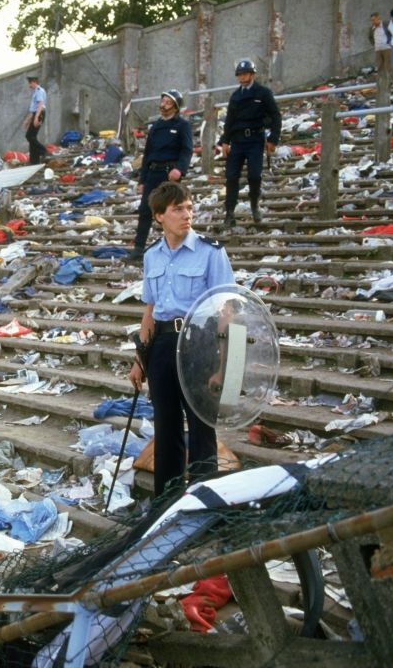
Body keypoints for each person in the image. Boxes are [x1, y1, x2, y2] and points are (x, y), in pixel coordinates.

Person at [128, 182, 235, 496]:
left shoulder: (211, 252)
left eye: (189, 207)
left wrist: (223, 365)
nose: (187, 215)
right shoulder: (152, 256)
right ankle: (167, 503)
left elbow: (226, 310)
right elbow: (150, 309)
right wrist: (140, 361)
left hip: (199, 343)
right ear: (160, 216)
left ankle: (202, 506)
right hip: (162, 344)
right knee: (166, 427)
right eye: (178, 209)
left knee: (202, 429)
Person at [130, 89, 192, 262]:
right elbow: (148, 153)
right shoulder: (156, 126)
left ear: (176, 106)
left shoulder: (182, 125)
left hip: (170, 173)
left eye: (168, 102)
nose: (163, 105)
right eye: (163, 101)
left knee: (171, 211)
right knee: (145, 210)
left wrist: (180, 168)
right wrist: (142, 179)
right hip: (153, 172)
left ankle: (177, 249)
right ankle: (138, 248)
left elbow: (187, 150)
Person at [219, 59, 281, 229]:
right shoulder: (236, 96)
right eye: (240, 74)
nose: (242, 77)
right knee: (231, 177)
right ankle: (229, 213)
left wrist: (273, 139)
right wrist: (225, 141)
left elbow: (275, 116)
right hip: (238, 140)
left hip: (255, 139)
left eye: (245, 73)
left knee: (254, 175)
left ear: (252, 74)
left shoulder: (263, 93)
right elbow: (229, 120)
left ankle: (254, 205)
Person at [24, 76, 48, 165]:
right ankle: (34, 160)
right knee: (32, 136)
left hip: (39, 113)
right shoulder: (35, 92)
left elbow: (40, 104)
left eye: (30, 83)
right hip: (37, 113)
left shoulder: (39, 91)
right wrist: (28, 120)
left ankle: (44, 151)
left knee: (29, 136)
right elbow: (33, 109)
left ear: (34, 82)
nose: (29, 85)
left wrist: (36, 117)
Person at [370, 12, 393, 80]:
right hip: (378, 49)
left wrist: (390, 42)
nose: (373, 22)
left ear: (378, 18)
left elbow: (392, 33)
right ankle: (381, 80)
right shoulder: (372, 28)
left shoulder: (386, 25)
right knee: (379, 66)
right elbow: (370, 37)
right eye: (371, 20)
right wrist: (374, 44)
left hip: (387, 48)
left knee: (388, 65)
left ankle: (390, 80)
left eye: (374, 20)